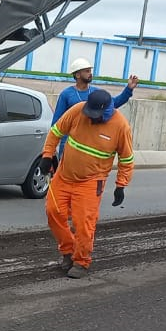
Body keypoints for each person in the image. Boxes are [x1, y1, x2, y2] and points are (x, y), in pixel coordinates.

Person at [39, 88, 134, 279]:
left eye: (96, 115)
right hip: (64, 176)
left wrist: (120, 185)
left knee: (83, 224)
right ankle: (68, 252)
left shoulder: (120, 126)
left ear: (108, 109)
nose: (92, 119)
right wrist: (47, 155)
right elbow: (55, 132)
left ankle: (81, 262)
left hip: (91, 182)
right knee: (53, 212)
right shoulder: (77, 111)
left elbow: (126, 159)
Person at [50, 58, 138, 126]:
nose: (90, 74)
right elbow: (57, 121)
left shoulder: (96, 93)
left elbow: (114, 103)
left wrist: (129, 89)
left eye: (90, 71)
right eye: (87, 71)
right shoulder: (66, 94)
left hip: (89, 141)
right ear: (77, 75)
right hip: (69, 143)